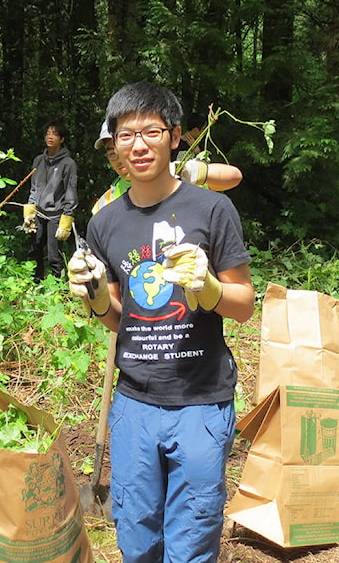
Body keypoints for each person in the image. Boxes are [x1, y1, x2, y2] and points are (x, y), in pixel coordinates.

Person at [68, 82, 254, 562]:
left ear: (173, 136)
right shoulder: (105, 223)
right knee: (137, 535)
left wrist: (208, 288)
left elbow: (244, 303)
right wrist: (91, 296)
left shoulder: (211, 208)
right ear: (114, 144)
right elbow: (118, 317)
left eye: (151, 131)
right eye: (126, 135)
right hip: (134, 405)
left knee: (191, 539)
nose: (139, 145)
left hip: (201, 400)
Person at [92, 120, 242, 215]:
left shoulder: (175, 177)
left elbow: (233, 177)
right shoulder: (106, 203)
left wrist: (189, 172)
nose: (120, 160)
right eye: (113, 154)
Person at [23, 119, 78, 281]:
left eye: (55, 134)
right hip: (38, 213)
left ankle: (58, 288)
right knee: (34, 250)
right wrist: (29, 212)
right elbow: (34, 187)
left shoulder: (68, 164)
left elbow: (71, 191)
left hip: (56, 215)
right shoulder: (38, 161)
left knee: (54, 255)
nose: (50, 137)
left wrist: (67, 218)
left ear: (62, 139)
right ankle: (35, 282)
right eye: (48, 133)